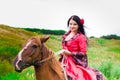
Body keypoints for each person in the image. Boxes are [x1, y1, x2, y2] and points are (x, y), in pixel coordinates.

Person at [59, 15, 98, 80]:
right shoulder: (65, 35)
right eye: (70, 24)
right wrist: (62, 52)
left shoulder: (81, 37)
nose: (72, 26)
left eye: (75, 24)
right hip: (64, 60)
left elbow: (83, 53)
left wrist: (70, 53)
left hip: (75, 62)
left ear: (79, 25)